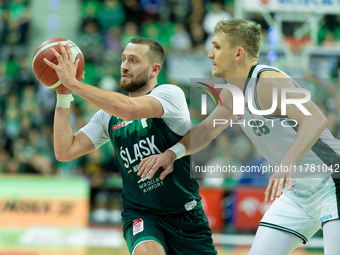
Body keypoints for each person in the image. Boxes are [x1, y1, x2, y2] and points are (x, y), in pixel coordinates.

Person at [137, 19, 340, 255]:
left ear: (238, 53)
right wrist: (173, 153)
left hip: (332, 179)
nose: (210, 54)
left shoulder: (269, 82)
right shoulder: (234, 95)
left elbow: (315, 120)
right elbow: (206, 130)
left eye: (217, 47)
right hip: (298, 194)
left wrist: (286, 164)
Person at [43, 38, 217, 255]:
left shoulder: (170, 94)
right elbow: (64, 151)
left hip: (186, 215)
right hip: (141, 214)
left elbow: (130, 110)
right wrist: (63, 95)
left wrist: (74, 83)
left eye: (133, 60)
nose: (124, 66)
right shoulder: (107, 117)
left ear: (155, 70)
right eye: (123, 59)